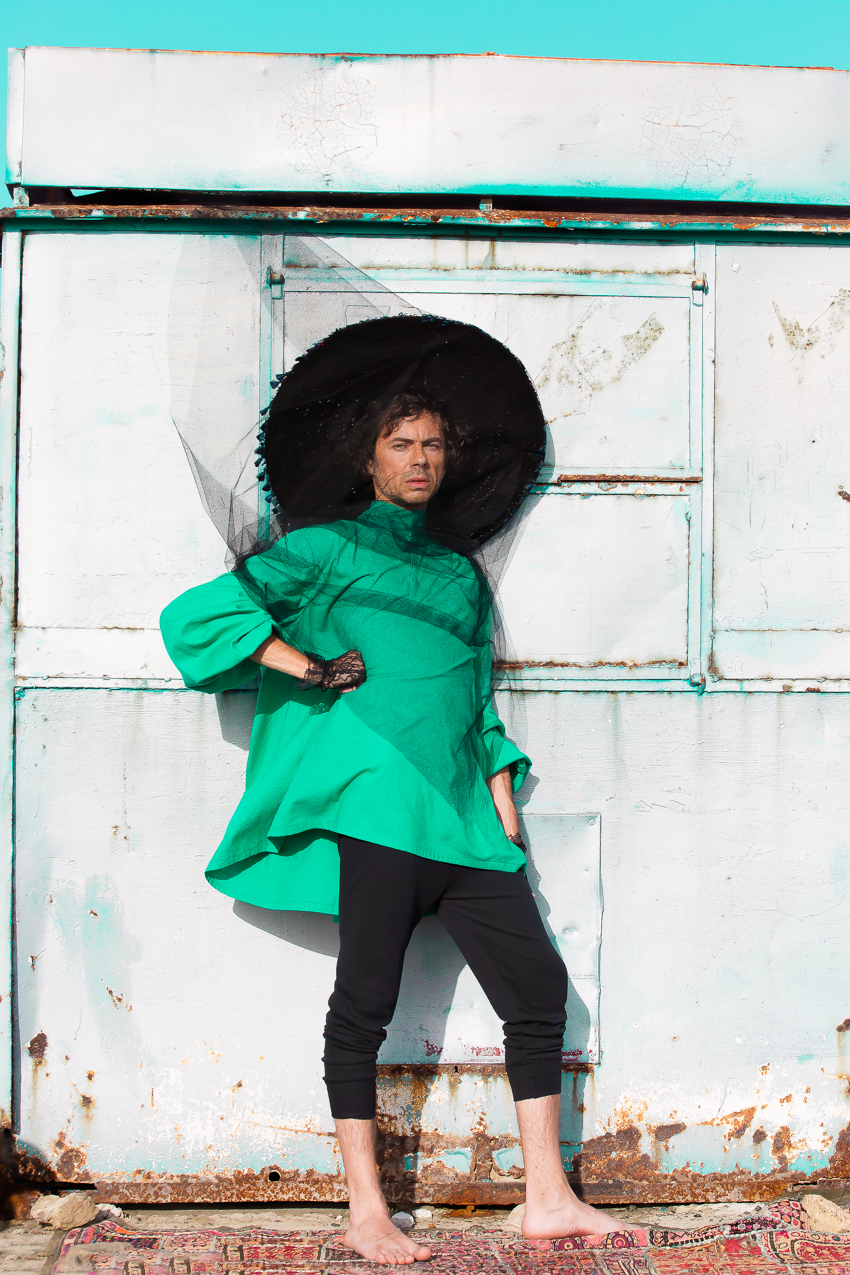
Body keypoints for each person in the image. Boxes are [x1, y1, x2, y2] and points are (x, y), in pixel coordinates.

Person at [161, 321, 625, 1265]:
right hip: (376, 807)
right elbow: (198, 616)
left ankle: (547, 1196)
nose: (420, 458)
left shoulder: (459, 576)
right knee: (366, 999)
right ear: (367, 458)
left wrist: (504, 812)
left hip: (464, 819)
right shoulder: (325, 549)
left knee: (538, 988)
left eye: (434, 444)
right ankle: (367, 1210)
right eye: (401, 442)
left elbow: (471, 704)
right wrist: (308, 665)